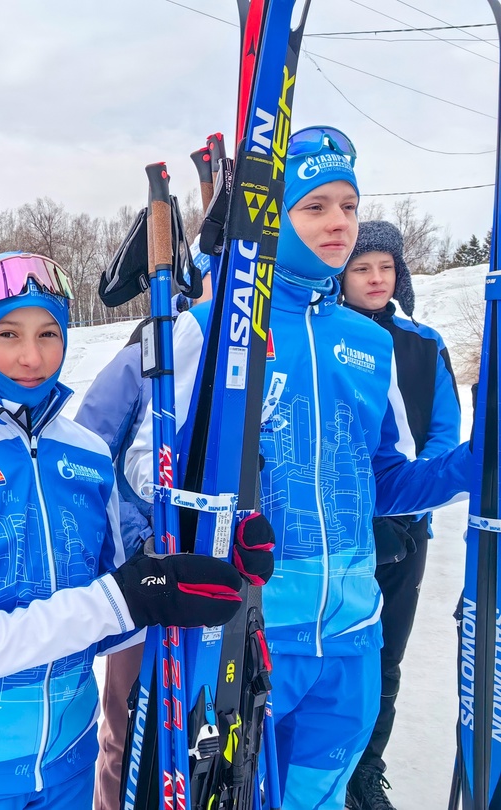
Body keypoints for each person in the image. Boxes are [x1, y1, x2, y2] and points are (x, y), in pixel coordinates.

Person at [125, 127, 475, 810]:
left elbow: (381, 483)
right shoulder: (211, 327)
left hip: (349, 638)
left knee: (318, 797)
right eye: (315, 207)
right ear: (275, 218)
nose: (338, 221)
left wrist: (470, 467)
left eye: (348, 204)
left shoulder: (368, 343)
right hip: (243, 633)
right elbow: (143, 466)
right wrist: (220, 507)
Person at [0, 251, 276, 809]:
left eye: (49, 333)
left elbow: (116, 622)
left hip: (70, 760)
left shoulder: (86, 454)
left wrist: (198, 560)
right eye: (7, 333)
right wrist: (121, 599)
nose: (32, 356)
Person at [81, 248, 214, 810]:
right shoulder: (145, 352)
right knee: (129, 716)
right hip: (148, 565)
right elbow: (92, 451)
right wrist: (133, 539)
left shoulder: (252, 357)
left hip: (213, 571)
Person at [338, 222, 460, 810]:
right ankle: (330, 764)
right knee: (339, 650)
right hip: (341, 527)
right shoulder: (328, 338)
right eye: (363, 268)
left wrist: (409, 502)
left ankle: (368, 768)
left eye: (385, 267)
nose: (375, 278)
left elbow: (443, 433)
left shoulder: (423, 343)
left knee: (388, 652)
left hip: (408, 526)